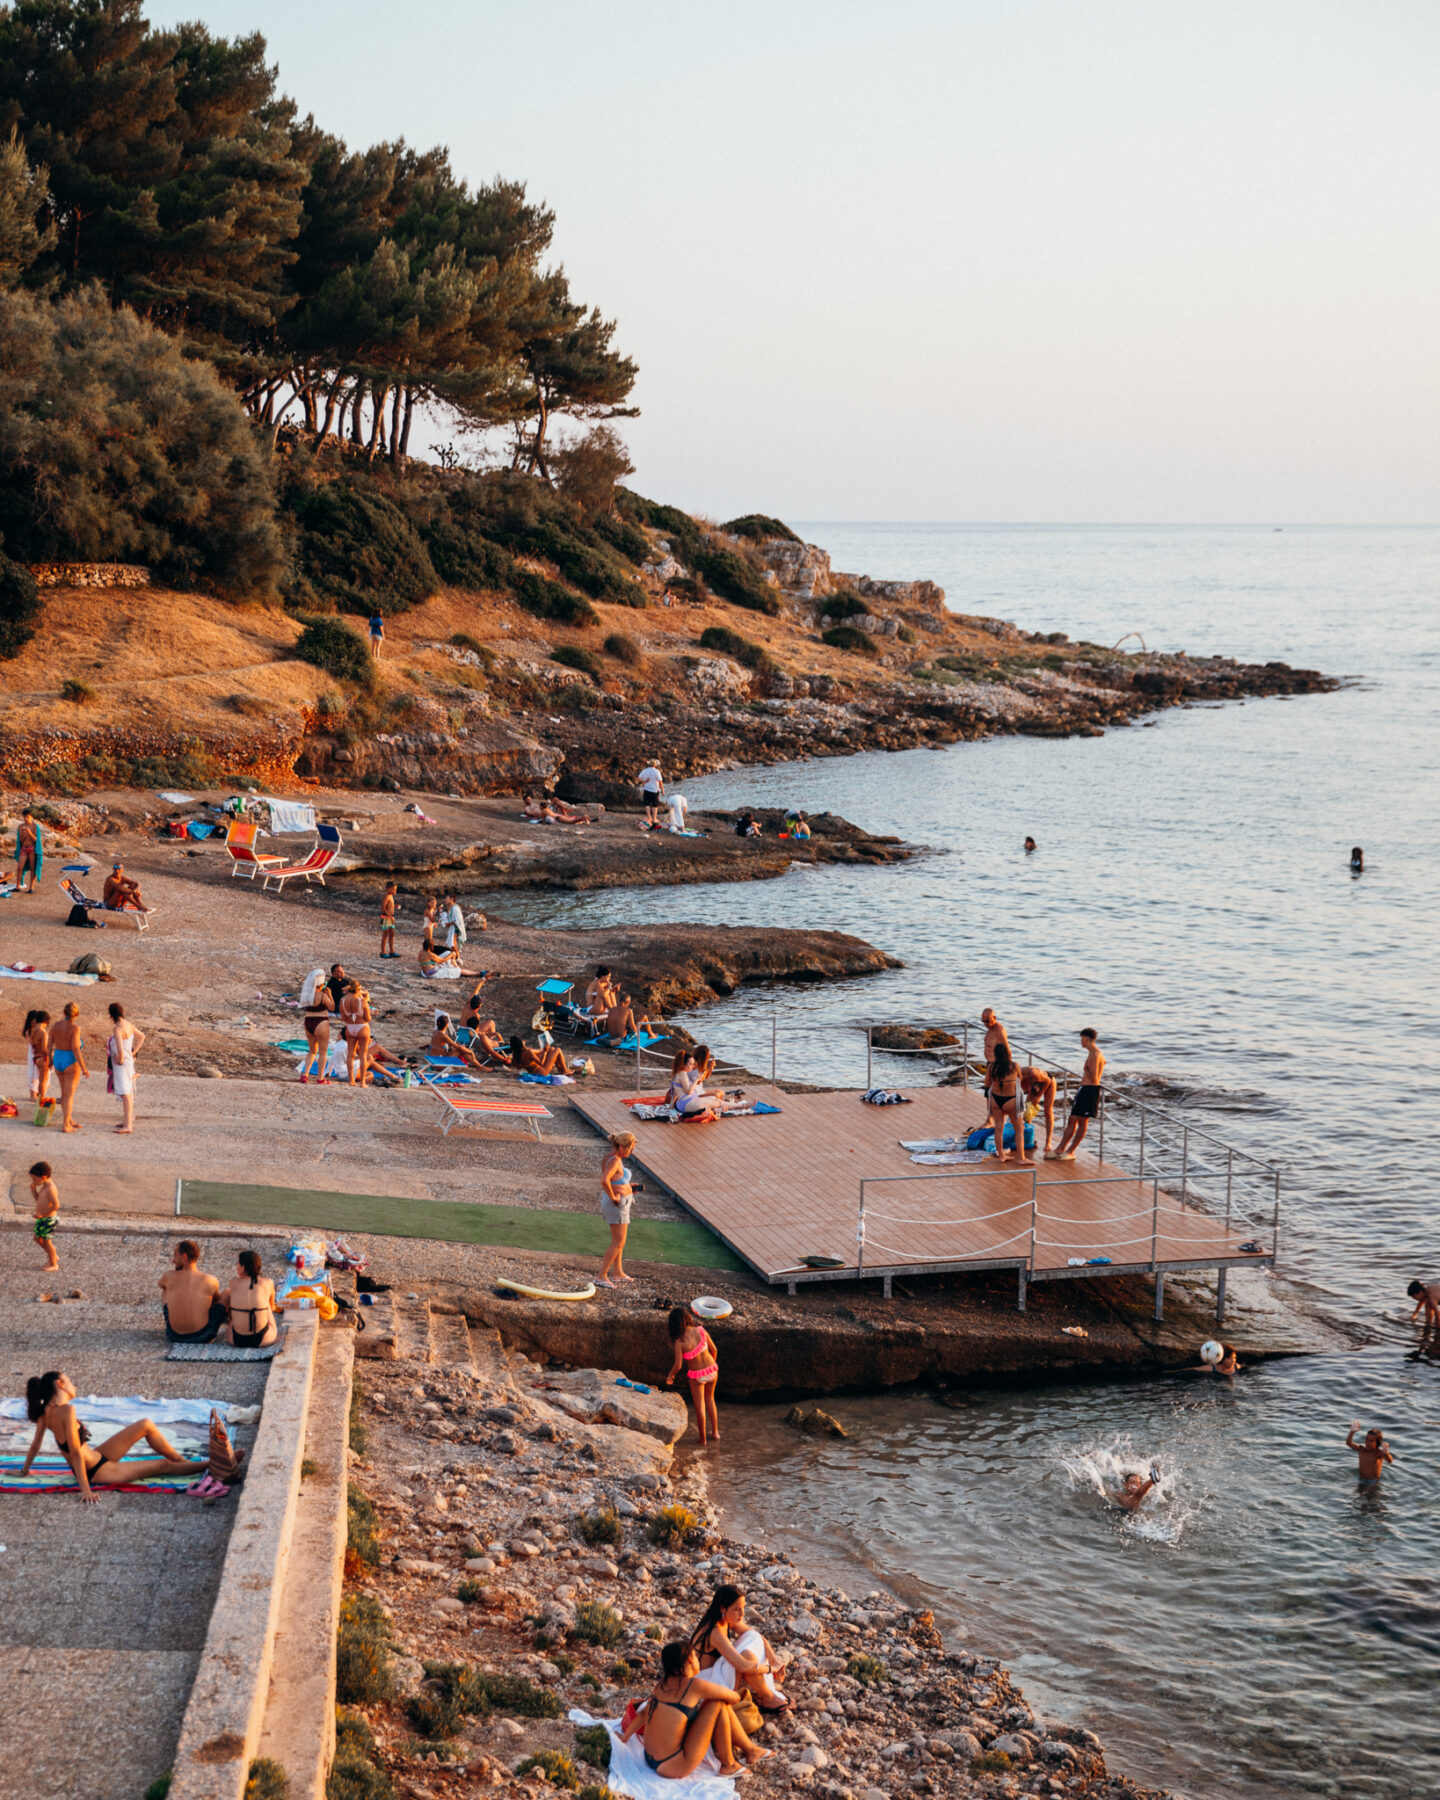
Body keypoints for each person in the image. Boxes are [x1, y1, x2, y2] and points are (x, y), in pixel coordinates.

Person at [21, 1371, 209, 1501]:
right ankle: (211, 1464)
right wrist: (86, 1491)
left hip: (96, 1457)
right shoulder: (67, 1410)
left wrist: (24, 1471)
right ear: (60, 1385)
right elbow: (76, 1453)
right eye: (69, 1381)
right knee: (162, 1465)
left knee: (145, 1424)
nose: (74, 1384)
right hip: (96, 1471)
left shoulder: (45, 1411)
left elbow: (34, 1446)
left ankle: (184, 1462)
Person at [619, 1640, 764, 1779]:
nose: (697, 1659)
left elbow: (644, 1713)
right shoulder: (694, 1685)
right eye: (695, 1655)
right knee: (717, 1702)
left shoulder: (661, 1685)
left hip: (650, 1759)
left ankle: (750, 1750)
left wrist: (625, 1738)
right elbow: (734, 1698)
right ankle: (729, 1764)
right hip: (674, 1764)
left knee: (707, 1706)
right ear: (689, 1660)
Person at [690, 1585, 791, 1713]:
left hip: (719, 1672)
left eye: (743, 1608)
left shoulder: (726, 1619)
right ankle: (768, 1698)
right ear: (723, 1609)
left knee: (752, 1636)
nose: (742, 1614)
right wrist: (771, 1669)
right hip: (708, 1681)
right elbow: (743, 1666)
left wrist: (774, 1660)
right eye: (737, 1610)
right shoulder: (714, 1631)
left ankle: (762, 1690)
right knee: (747, 1657)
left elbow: (759, 1637)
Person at [666, 1305, 720, 1444]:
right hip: (712, 1370)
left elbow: (678, 1366)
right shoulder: (701, 1331)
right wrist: (711, 1367)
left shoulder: (680, 1342)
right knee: (710, 1400)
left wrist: (670, 1375)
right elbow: (714, 1350)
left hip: (697, 1376)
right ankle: (715, 1433)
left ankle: (703, 1440)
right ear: (688, 1318)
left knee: (699, 1407)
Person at [1051, 1029, 1105, 1162]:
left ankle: (1071, 1151)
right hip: (1085, 1089)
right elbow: (1104, 1062)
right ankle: (1060, 1148)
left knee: (1081, 1121)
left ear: (1086, 1039)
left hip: (1089, 1090)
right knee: (1072, 1119)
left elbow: (1094, 1078)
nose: (1081, 1041)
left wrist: (1086, 1070)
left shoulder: (1095, 1054)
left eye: (1081, 1039)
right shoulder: (1094, 1053)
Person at [159, 1241, 225, 1343]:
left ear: (184, 1257)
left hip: (174, 1335)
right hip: (203, 1336)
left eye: (175, 1256)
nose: (173, 1260)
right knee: (226, 1295)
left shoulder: (168, 1276)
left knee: (166, 1290)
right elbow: (215, 1301)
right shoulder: (211, 1280)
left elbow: (161, 1284)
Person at [219, 1250, 280, 1349]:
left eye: (238, 1263)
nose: (236, 1266)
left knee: (233, 1302)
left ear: (243, 1267)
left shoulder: (233, 1283)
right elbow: (272, 1307)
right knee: (267, 1305)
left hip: (235, 1339)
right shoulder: (268, 1283)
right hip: (263, 1339)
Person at [984, 1040, 1031, 1165]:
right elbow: (1020, 1079)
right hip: (1011, 1099)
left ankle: (1001, 1156)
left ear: (996, 1054)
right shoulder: (1014, 1066)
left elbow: (987, 1084)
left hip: (996, 1099)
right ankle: (1021, 1158)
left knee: (998, 1128)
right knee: (1019, 1128)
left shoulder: (991, 1067)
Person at [600, 1132, 636, 1288]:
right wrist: (614, 1196)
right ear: (621, 1146)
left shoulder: (610, 1157)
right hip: (617, 1205)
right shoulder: (615, 1161)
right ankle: (601, 1275)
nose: (631, 1151)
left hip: (616, 1202)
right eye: (629, 1148)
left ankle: (618, 1272)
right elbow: (604, 1180)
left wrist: (628, 1187)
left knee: (619, 1242)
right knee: (618, 1241)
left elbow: (613, 1180)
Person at [50, 1001, 88, 1132]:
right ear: (76, 1014)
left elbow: (49, 1044)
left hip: (58, 1059)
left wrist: (50, 1060)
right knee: (69, 1095)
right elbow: (76, 1048)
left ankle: (69, 1119)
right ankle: (66, 1125)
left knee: (64, 1093)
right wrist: (84, 1068)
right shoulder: (75, 1028)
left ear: (63, 1012)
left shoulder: (55, 1026)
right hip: (70, 1060)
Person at [107, 1001, 144, 1134]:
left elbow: (119, 1047)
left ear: (111, 1015)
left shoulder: (118, 1028)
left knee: (125, 1092)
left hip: (122, 1063)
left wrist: (121, 1058)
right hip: (129, 1061)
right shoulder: (129, 1025)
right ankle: (127, 1120)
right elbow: (142, 1037)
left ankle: (128, 1125)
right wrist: (133, 1053)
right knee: (127, 1091)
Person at [299, 968, 334, 1084]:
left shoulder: (307, 994)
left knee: (312, 1051)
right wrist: (330, 995)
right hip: (321, 1021)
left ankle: (305, 1075)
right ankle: (320, 1078)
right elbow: (332, 1007)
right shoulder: (323, 995)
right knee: (323, 1052)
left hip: (308, 1021)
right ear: (322, 984)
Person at [667, 1048, 717, 1120]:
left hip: (690, 1098)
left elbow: (706, 1077)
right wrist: (705, 1071)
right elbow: (697, 1082)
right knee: (716, 1097)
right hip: (691, 1097)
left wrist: (710, 1068)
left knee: (716, 1096)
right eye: (707, 1058)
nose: (692, 1066)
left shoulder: (684, 1070)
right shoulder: (688, 1070)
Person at [1018, 1064, 1057, 1156]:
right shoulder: (1010, 1080)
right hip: (1033, 1086)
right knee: (1027, 1114)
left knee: (1048, 1112)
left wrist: (1039, 1096)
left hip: (1048, 1082)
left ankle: (1048, 1142)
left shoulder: (1031, 1072)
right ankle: (1028, 1139)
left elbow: (1047, 1080)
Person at [338, 980, 372, 1085]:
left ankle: (352, 1081)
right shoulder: (362, 1001)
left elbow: (343, 1018)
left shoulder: (343, 1001)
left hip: (350, 1027)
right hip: (362, 1027)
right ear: (358, 989)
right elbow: (368, 1018)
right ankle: (362, 1082)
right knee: (363, 1054)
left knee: (350, 1054)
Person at [31, 1161, 59, 1272]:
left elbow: (56, 1205)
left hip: (48, 1219)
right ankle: (53, 1255)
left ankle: (54, 1264)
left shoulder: (50, 1188)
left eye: (34, 1179)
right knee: (37, 1238)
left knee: (47, 1241)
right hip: (42, 1219)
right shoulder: (44, 1186)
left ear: (43, 1177)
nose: (33, 1181)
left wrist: (43, 1214)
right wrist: (34, 1191)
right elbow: (39, 1201)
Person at [509, 1035, 573, 1077]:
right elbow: (541, 1063)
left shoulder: (515, 1054)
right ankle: (564, 1071)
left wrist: (544, 1051)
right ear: (520, 1043)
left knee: (551, 1049)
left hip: (533, 1072)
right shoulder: (528, 1052)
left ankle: (560, 1069)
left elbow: (518, 1067)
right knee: (557, 1050)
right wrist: (545, 1052)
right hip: (543, 1072)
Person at [23, 1009, 51, 1105]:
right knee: (43, 1080)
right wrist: (49, 1058)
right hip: (42, 1058)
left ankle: (40, 1097)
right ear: (46, 1021)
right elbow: (44, 1049)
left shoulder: (32, 1032)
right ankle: (41, 1099)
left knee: (39, 1079)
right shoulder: (43, 1033)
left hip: (35, 1058)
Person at [15, 806, 41, 891]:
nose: (26, 818)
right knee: (19, 867)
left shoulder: (34, 826)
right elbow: (21, 841)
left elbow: (36, 840)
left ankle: (31, 887)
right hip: (24, 848)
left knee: (32, 867)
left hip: (32, 849)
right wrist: (22, 834)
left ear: (32, 817)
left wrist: (29, 833)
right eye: (24, 817)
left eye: (28, 817)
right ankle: (18, 886)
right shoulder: (20, 826)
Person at [638, 760, 665, 827]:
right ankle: (654, 818)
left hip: (647, 789)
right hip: (654, 790)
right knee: (654, 804)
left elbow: (639, 778)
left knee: (647, 803)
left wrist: (644, 781)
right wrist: (662, 790)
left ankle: (649, 817)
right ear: (655, 765)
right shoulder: (656, 771)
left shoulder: (645, 770)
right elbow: (660, 782)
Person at [379, 883, 398, 959]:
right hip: (387, 918)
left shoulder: (391, 896)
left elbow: (389, 905)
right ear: (388, 889)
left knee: (392, 934)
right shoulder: (386, 896)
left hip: (391, 917)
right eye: (393, 889)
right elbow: (383, 908)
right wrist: (390, 916)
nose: (395, 891)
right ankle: (383, 952)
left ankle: (392, 951)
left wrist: (395, 906)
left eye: (395, 889)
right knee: (385, 935)